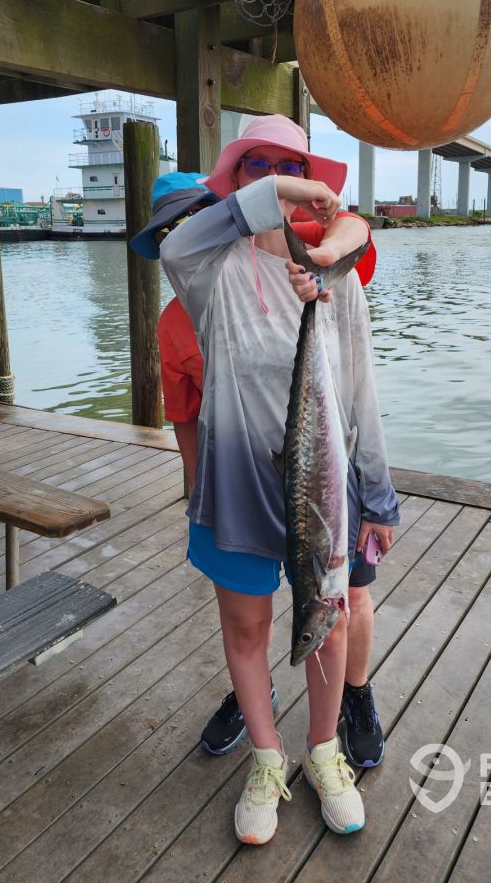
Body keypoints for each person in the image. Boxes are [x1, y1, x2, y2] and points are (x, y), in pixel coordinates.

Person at [157, 115, 399, 845]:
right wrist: (286, 192)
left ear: (308, 178)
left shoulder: (334, 273)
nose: (272, 176)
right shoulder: (211, 273)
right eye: (256, 165)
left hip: (323, 482)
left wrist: (378, 495)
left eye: (288, 165)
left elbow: (361, 393)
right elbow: (174, 243)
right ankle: (267, 761)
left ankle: (323, 754)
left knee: (327, 620)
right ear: (235, 180)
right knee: (246, 626)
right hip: (237, 481)